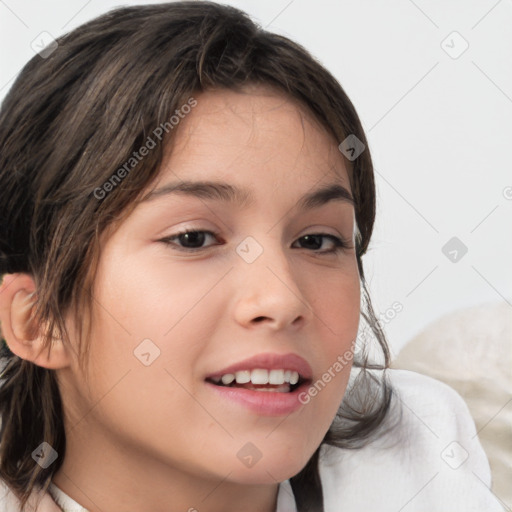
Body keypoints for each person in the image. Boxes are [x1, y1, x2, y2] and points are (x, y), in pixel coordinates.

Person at [0, 2, 504, 511]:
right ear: (39, 320)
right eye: (193, 238)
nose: (282, 299)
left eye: (316, 240)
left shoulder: (416, 458)